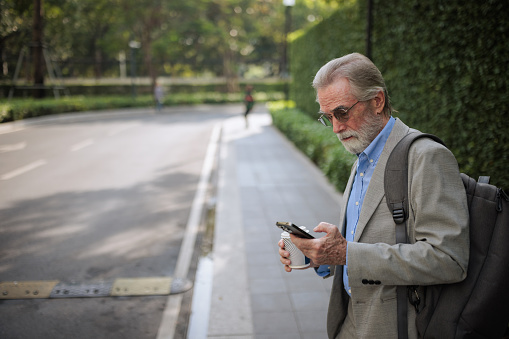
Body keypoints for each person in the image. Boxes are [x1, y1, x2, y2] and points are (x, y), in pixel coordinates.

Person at [278, 53, 469, 339]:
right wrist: (320, 254)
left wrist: (346, 253)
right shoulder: (362, 154)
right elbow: (362, 245)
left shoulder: (427, 157)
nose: (336, 128)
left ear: (377, 101)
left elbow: (448, 259)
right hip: (350, 322)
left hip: (398, 327)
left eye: (342, 113)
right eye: (327, 117)